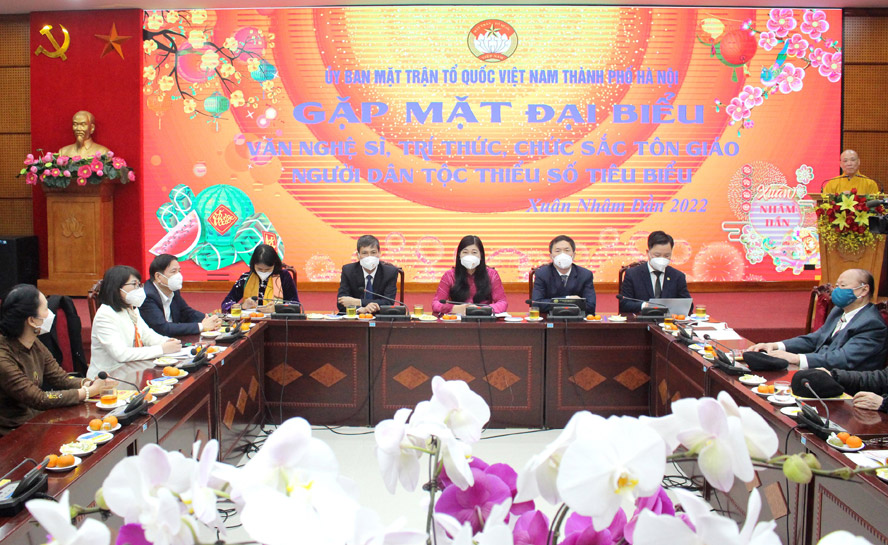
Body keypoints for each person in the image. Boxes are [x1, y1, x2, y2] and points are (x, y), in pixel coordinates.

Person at [0, 284, 114, 435]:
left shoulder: (34, 343)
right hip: (11, 432)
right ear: (32, 320)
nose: (50, 314)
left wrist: (89, 383)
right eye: (46, 309)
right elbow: (39, 398)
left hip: (35, 421)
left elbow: (60, 379)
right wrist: (88, 391)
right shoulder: (3, 357)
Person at [748, 268, 888, 371]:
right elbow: (816, 339)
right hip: (819, 372)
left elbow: (843, 359)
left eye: (843, 286)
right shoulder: (839, 311)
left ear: (864, 290)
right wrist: (776, 345)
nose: (837, 291)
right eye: (837, 286)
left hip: (845, 384)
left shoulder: (872, 324)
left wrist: (797, 358)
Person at [89, 266, 181, 380]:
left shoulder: (131, 308)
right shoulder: (105, 315)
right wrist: (161, 349)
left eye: (139, 285)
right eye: (134, 284)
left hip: (130, 373)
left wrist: (166, 341)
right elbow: (121, 354)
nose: (138, 289)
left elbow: (146, 335)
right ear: (116, 287)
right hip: (107, 379)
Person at [141, 254, 222, 336]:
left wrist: (209, 319)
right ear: (158, 276)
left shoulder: (173, 290)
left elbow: (186, 313)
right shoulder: (146, 296)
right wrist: (202, 326)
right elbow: (162, 328)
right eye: (173, 272)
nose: (178, 276)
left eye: (179, 271)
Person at [432, 236, 507, 316]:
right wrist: (454, 308)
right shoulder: (449, 275)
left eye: (474, 252)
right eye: (465, 252)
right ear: (459, 255)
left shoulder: (492, 275)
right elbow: (436, 304)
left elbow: (502, 303)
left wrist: (481, 309)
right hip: (457, 320)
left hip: (483, 319)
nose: (469, 256)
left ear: (481, 256)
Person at [618, 231, 691, 314]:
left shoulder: (678, 276)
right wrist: (644, 305)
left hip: (669, 320)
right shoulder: (632, 274)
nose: (662, 259)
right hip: (641, 320)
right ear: (648, 253)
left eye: (667, 256)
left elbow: (688, 306)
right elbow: (624, 304)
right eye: (657, 255)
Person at [221, 244, 298, 313]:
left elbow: (296, 305)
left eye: (267, 269)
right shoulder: (246, 278)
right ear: (253, 265)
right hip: (251, 321)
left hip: (276, 321)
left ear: (274, 265)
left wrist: (277, 308)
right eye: (259, 269)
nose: (263, 272)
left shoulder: (284, 276)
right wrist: (242, 306)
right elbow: (226, 304)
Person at [531, 235, 596, 314]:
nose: (563, 254)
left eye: (567, 250)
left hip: (577, 318)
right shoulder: (542, 274)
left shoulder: (585, 274)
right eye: (558, 251)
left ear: (574, 255)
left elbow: (591, 306)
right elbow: (537, 304)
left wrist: (556, 302)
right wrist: (567, 299)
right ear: (551, 256)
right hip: (549, 318)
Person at [336, 235, 400, 314]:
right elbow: (341, 302)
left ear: (379, 253)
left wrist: (358, 302)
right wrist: (360, 309)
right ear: (358, 255)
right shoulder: (348, 271)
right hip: (355, 317)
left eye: (373, 252)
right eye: (365, 253)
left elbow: (388, 302)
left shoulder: (390, 272)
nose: (369, 257)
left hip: (379, 317)